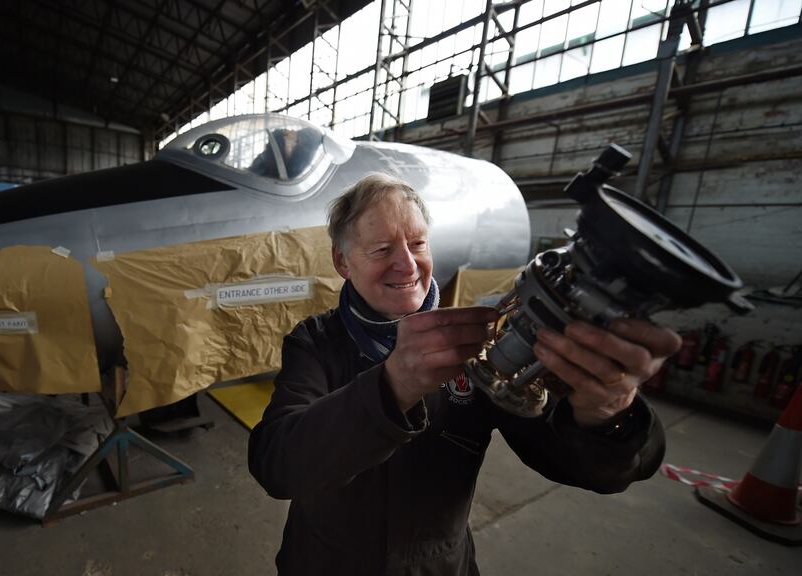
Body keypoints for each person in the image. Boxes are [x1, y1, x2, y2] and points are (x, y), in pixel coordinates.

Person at [247, 173, 680, 575]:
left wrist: (607, 412)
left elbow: (586, 466)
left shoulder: (478, 345)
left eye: (417, 244)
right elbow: (278, 466)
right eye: (382, 250)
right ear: (343, 262)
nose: (407, 265)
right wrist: (392, 387)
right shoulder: (315, 342)